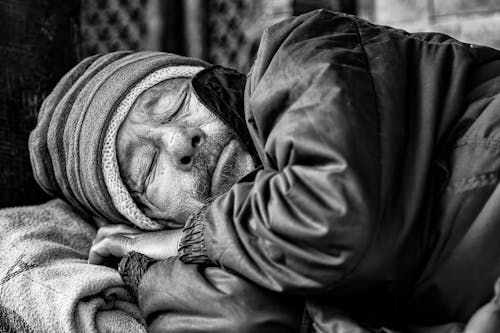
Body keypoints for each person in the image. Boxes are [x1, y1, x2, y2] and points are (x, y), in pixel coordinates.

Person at [28, 9, 500, 333]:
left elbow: (331, 220)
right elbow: (238, 321)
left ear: (209, 78)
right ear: (148, 221)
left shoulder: (297, 54)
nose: (179, 142)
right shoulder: (247, 243)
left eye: (172, 104)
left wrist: (195, 237)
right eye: (146, 166)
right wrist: (148, 269)